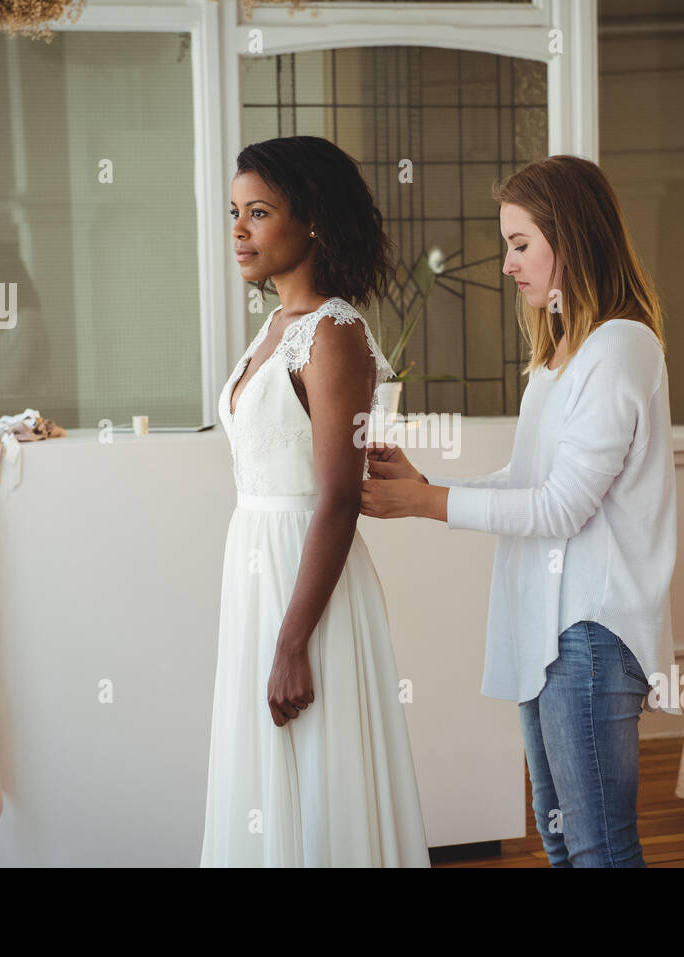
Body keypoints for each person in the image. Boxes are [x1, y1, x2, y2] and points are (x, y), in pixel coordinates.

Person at [360, 154, 679, 867]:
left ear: (572, 237)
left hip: (589, 634)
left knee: (598, 844)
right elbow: (531, 478)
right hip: (547, 629)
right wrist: (427, 483)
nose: (507, 264)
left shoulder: (620, 347)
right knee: (561, 836)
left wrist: (425, 503)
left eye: (520, 243)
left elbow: (563, 507)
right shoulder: (563, 350)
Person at [200, 136, 430, 867]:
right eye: (234, 212)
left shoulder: (333, 332)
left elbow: (336, 497)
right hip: (256, 573)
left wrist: (294, 640)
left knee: (320, 775)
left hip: (312, 591)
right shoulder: (273, 329)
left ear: (314, 223)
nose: (238, 229)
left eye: (259, 212)